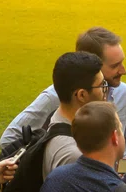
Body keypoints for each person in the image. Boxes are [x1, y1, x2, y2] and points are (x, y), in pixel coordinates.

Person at [0, 27, 126, 160]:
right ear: (91, 64)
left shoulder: (124, 94)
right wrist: (43, 162)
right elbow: (9, 138)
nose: (123, 71)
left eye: (122, 62)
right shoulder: (55, 97)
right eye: (115, 66)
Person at [41, 51, 109, 179]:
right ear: (81, 95)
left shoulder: (56, 118)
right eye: (101, 85)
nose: (106, 91)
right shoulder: (74, 156)